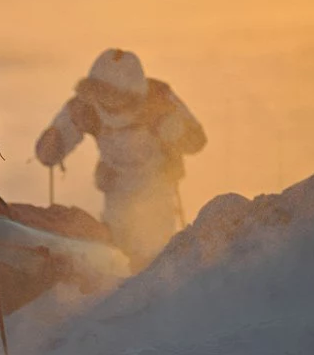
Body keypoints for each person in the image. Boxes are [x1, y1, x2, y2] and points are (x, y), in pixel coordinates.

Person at [35, 48, 206, 272]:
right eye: (105, 98)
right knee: (120, 256)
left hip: (157, 185)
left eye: (120, 100)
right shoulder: (85, 107)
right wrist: (53, 144)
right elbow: (50, 147)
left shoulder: (160, 100)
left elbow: (196, 141)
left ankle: (152, 292)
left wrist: (175, 131)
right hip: (116, 188)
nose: (112, 106)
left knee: (154, 255)